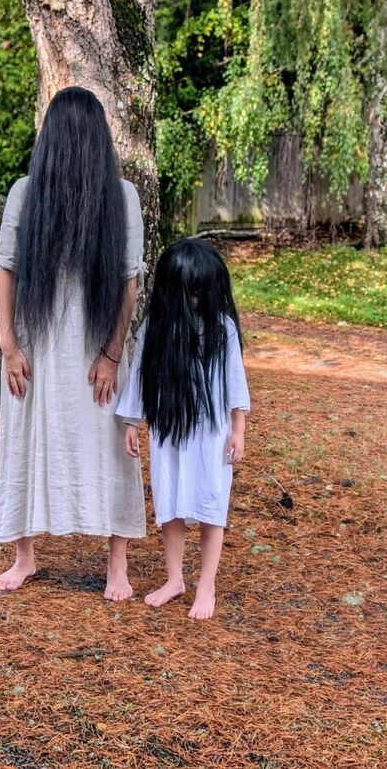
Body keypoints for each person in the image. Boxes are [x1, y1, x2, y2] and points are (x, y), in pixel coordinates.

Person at [0, 86, 146, 600]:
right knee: (26, 439)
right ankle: (24, 555)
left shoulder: (120, 196)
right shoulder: (25, 193)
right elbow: (5, 270)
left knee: (110, 444)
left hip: (95, 344)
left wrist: (111, 354)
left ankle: (117, 564)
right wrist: (9, 346)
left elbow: (129, 282)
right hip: (37, 344)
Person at [116, 238, 250, 619]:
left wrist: (238, 429)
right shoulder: (155, 327)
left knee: (211, 506)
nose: (194, 298)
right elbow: (141, 376)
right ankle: (175, 579)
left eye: (199, 290)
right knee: (170, 504)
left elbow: (235, 382)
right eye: (187, 290)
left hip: (211, 435)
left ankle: (206, 585)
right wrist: (132, 421)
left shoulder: (222, 327)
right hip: (169, 429)